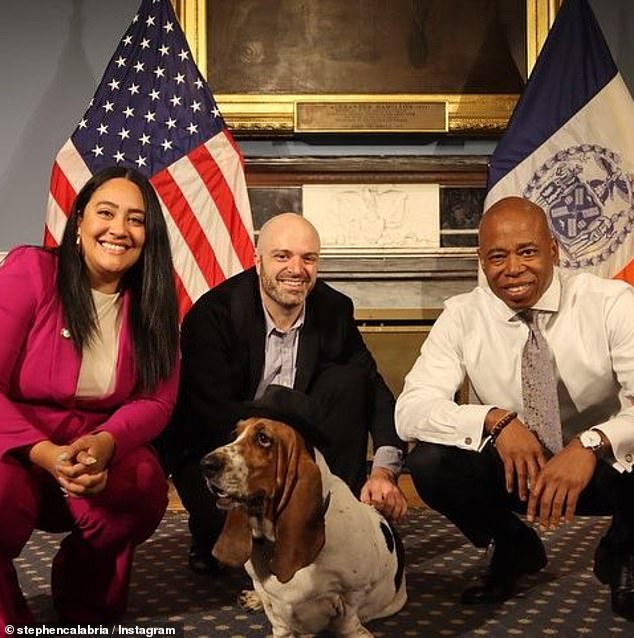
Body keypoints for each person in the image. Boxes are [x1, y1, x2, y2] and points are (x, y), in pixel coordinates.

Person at [395, 196, 634, 620]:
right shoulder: (463, 315)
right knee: (430, 462)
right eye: (497, 257)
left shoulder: (611, 303)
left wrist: (591, 444)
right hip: (518, 469)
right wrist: (493, 420)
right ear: (481, 260)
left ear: (554, 251)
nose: (512, 269)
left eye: (527, 251)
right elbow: (410, 409)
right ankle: (513, 545)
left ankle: (623, 548)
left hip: (602, 469)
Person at [161, 212, 408, 574]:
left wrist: (384, 472)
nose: (297, 269)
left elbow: (374, 390)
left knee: (349, 383)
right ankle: (208, 533)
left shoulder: (334, 309)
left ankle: (331, 522)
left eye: (308, 258)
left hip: (292, 449)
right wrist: (289, 410)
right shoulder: (212, 315)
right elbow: (213, 417)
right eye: (282, 256)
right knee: (226, 559)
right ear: (257, 260)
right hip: (223, 446)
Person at [0, 167, 180, 626]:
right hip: (15, 446)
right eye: (106, 212)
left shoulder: (154, 300)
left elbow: (156, 401)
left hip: (92, 448)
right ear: (79, 220)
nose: (119, 229)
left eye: (136, 220)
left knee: (143, 483)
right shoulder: (31, 271)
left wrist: (105, 444)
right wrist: (45, 453)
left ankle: (85, 597)